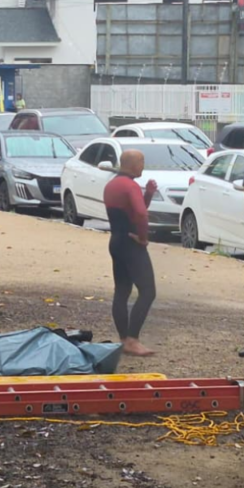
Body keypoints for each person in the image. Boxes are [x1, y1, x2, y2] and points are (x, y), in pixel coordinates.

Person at [102, 150, 158, 357]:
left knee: (122, 291)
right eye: (142, 161)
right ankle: (133, 340)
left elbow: (134, 209)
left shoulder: (112, 185)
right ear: (132, 164)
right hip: (132, 244)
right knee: (148, 291)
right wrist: (143, 238)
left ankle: (124, 339)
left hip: (116, 241)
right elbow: (141, 214)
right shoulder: (130, 185)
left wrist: (149, 194)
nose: (143, 165)